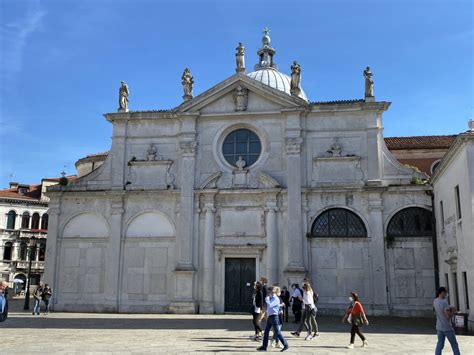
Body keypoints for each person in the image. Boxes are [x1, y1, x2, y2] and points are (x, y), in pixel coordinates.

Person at [256, 286, 289, 352]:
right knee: (266, 332)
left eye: (270, 291)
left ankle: (286, 345)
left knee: (277, 333)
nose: (269, 292)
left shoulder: (276, 299)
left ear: (273, 292)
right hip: (270, 317)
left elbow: (270, 305)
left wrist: (267, 298)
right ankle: (264, 347)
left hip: (274, 317)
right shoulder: (271, 298)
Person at [434, 287, 460, 355]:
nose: (446, 294)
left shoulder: (435, 301)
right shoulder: (444, 302)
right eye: (445, 292)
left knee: (440, 344)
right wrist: (453, 311)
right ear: (442, 292)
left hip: (439, 327)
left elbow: (441, 310)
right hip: (447, 327)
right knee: (454, 344)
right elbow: (448, 317)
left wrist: (449, 308)